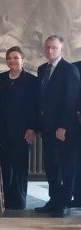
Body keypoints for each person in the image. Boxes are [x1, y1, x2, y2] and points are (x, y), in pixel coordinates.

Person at [35, 36, 80, 218]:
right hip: (47, 128)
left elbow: (72, 101)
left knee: (66, 166)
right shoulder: (42, 69)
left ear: (61, 48)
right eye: (47, 47)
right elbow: (41, 101)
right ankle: (53, 200)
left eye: (54, 47)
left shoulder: (69, 70)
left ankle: (63, 203)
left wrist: (63, 126)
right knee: (51, 165)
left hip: (64, 129)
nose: (50, 51)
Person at [0, 47, 38, 210]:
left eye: (16, 58)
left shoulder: (32, 81)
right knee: (5, 166)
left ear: (23, 59)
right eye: (9, 58)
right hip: (2, 130)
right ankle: (4, 199)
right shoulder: (0, 79)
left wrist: (32, 128)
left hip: (23, 131)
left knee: (20, 166)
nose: (12, 61)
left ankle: (19, 201)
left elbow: (35, 107)